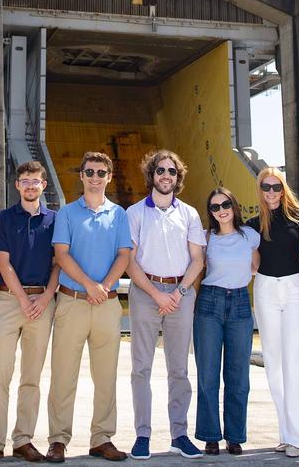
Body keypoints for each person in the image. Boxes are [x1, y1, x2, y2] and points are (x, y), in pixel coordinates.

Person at [45, 151, 134, 463]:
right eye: (90, 172)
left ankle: (102, 438)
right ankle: (57, 439)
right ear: (81, 176)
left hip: (107, 305)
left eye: (101, 173)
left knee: (106, 376)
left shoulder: (119, 215)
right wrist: (89, 284)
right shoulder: (67, 214)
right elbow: (61, 255)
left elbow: (124, 255)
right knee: (62, 375)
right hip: (72, 303)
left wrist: (105, 286)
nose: (95, 177)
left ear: (108, 177)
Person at [124, 149, 206, 460]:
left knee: (179, 369)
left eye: (172, 171)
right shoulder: (134, 213)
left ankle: (179, 434)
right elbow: (129, 261)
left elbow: (197, 259)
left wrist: (179, 293)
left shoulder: (189, 213)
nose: (166, 176)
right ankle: (142, 434)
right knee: (141, 368)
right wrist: (156, 294)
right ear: (152, 175)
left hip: (180, 294)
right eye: (161, 170)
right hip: (146, 292)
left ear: (178, 177)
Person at [0, 161, 60, 464]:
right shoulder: (4, 218)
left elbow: (58, 264)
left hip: (43, 302)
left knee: (32, 376)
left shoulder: (55, 220)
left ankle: (23, 439)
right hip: (9, 301)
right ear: (17, 186)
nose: (29, 186)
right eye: (24, 181)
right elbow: (3, 262)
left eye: (35, 181)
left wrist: (46, 297)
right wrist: (24, 299)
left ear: (43, 185)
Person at [193, 187, 259, 456]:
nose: (221, 210)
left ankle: (234, 436)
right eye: (214, 207)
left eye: (225, 204)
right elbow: (197, 270)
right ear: (210, 212)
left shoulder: (250, 236)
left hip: (241, 304)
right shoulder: (206, 238)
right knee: (208, 374)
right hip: (209, 302)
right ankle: (210, 435)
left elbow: (255, 265)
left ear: (234, 205)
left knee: (238, 375)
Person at [252, 166, 299, 458]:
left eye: (277, 187)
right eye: (267, 187)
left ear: (284, 189)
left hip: (295, 288)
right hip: (264, 288)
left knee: (296, 361)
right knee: (274, 363)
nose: (272, 193)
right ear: (260, 190)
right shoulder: (253, 224)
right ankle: (285, 432)